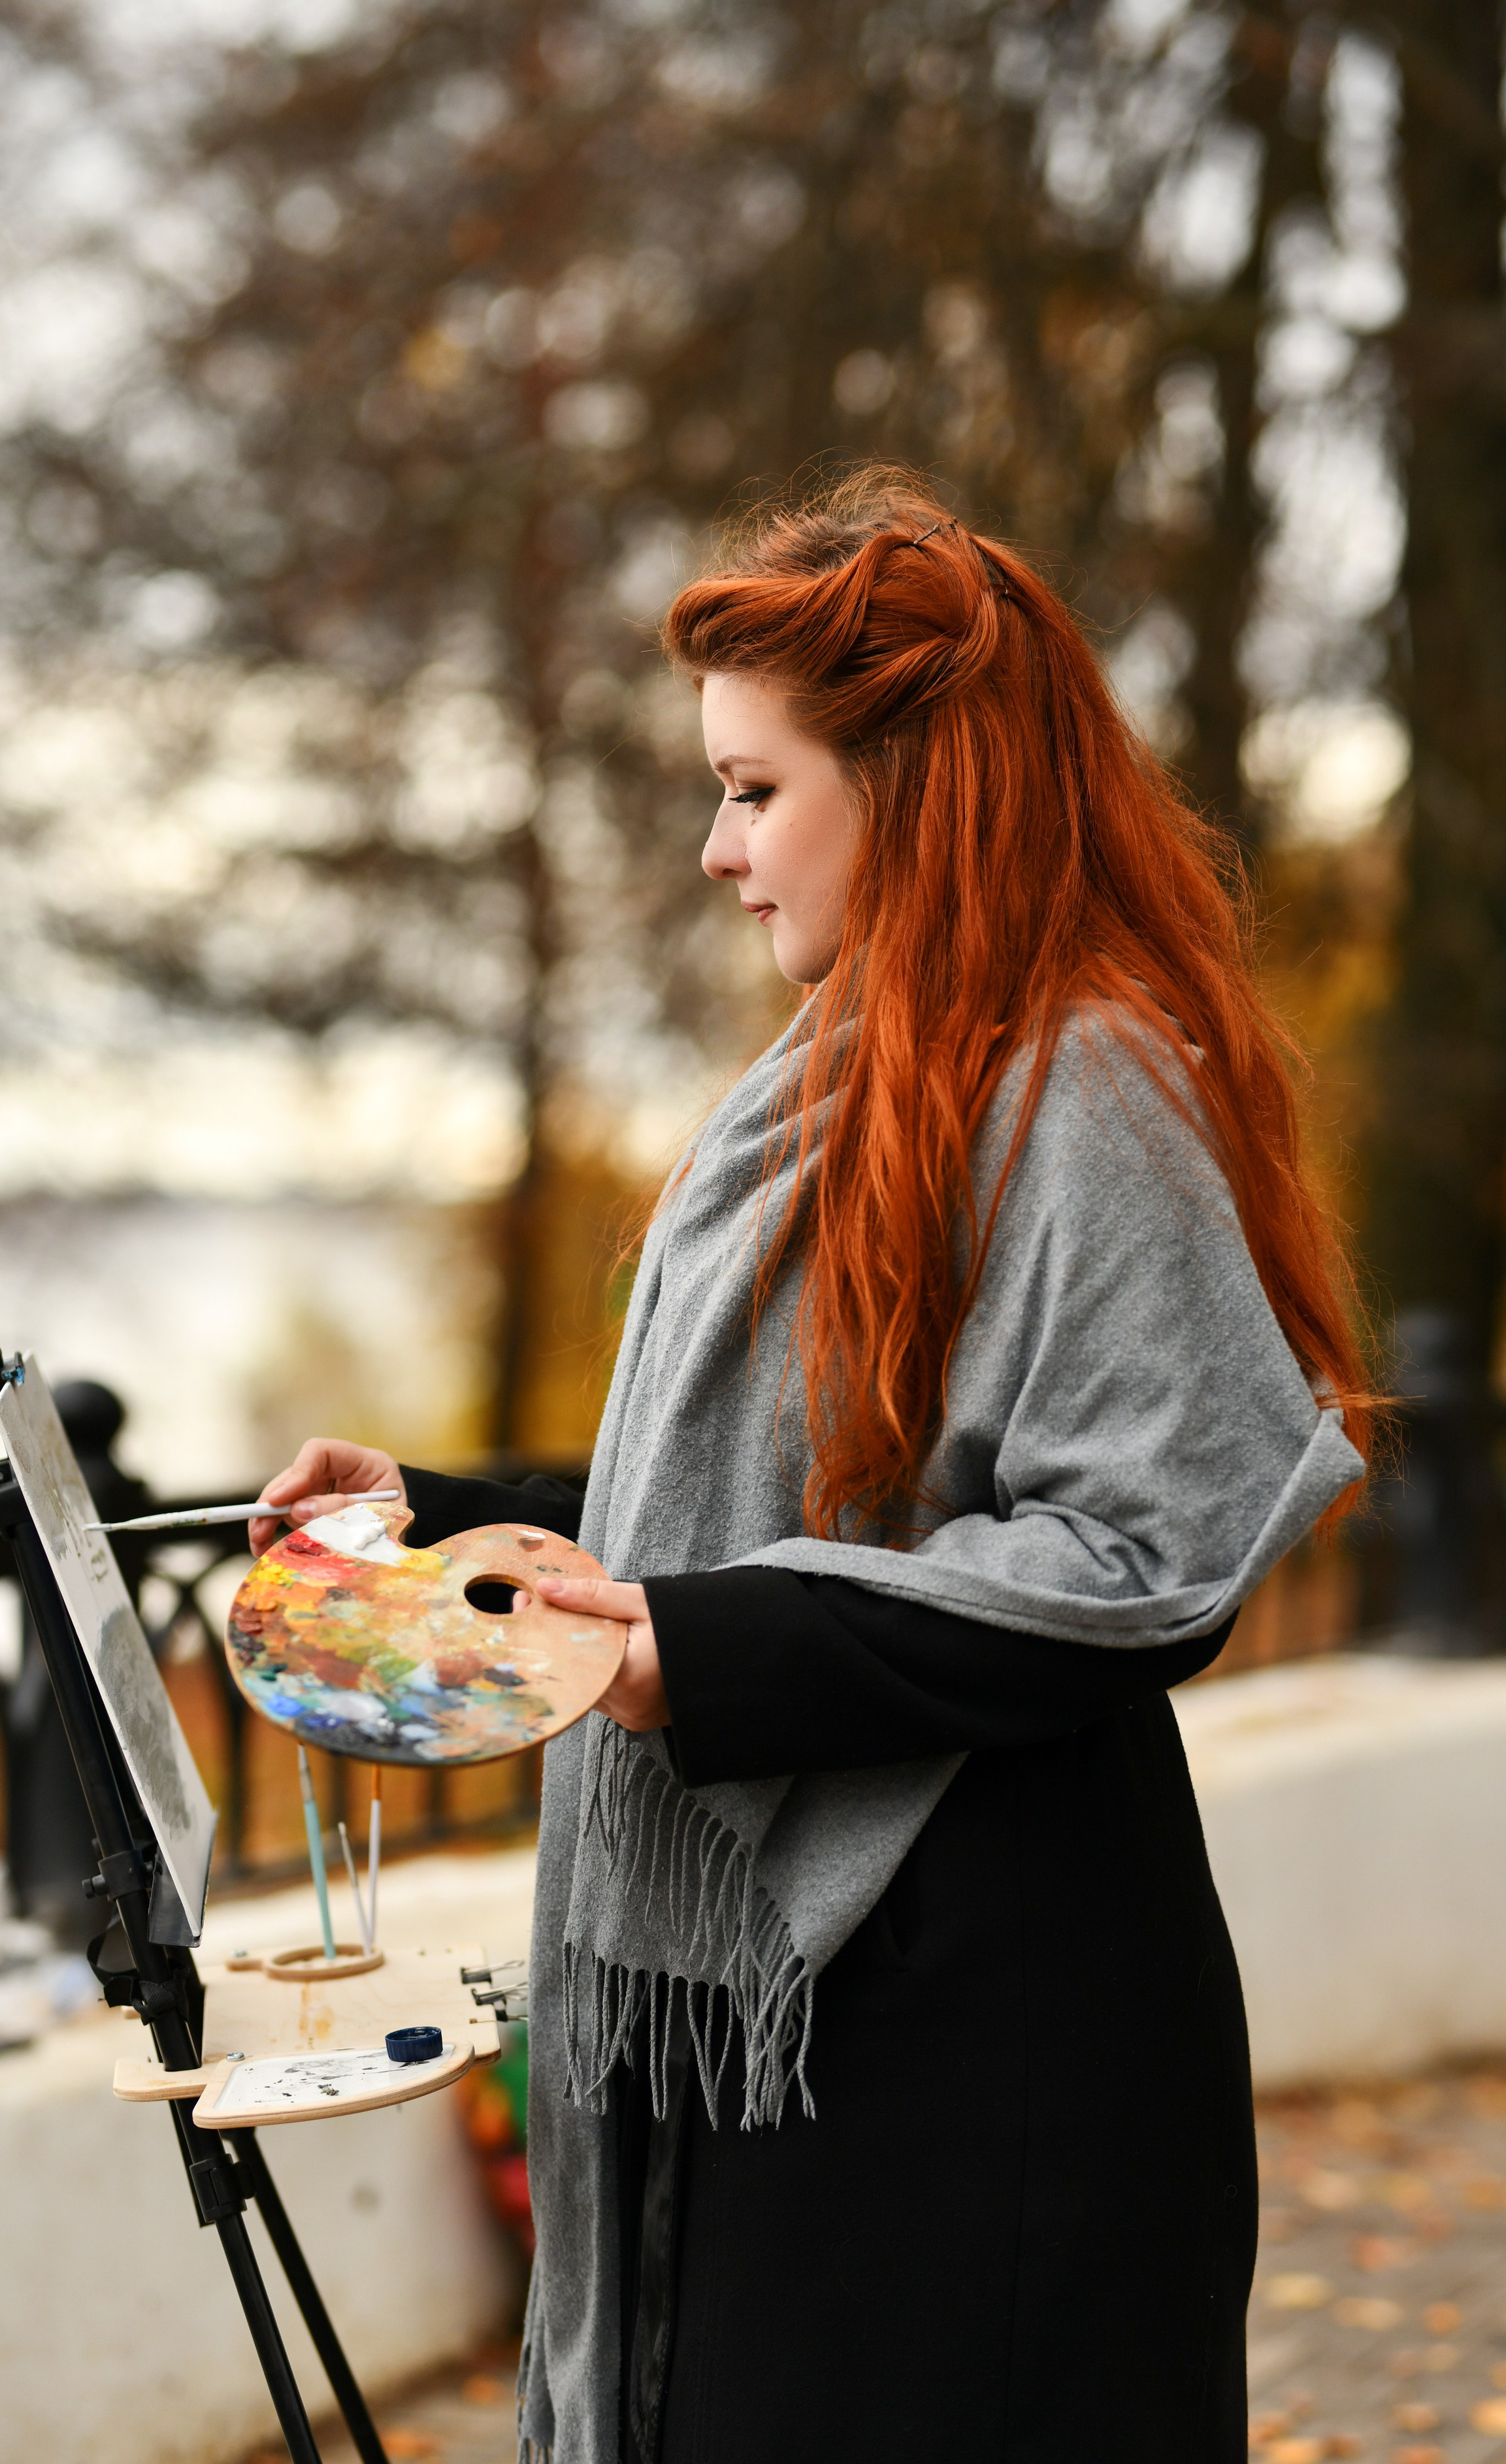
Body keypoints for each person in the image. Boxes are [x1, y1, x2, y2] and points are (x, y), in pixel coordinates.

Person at [253, 471, 1373, 2464]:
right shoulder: (839, 1075)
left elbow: (1142, 1554)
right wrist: (423, 1523)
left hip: (975, 2049)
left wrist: (705, 1647)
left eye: (757, 790)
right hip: (792, 2039)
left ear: (919, 787)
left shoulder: (1082, 1078)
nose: (714, 847)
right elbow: (763, 1496)